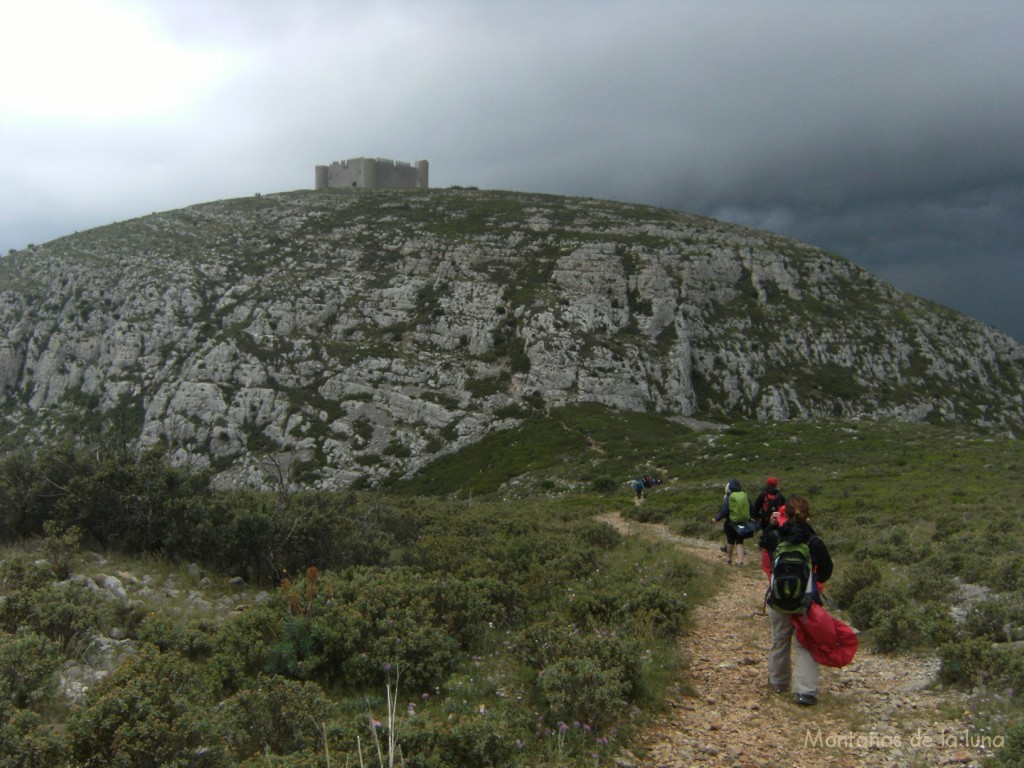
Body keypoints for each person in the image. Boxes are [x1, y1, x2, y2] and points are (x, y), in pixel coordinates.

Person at [763, 494, 833, 706]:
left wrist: (771, 525)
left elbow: (764, 546)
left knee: (780, 640)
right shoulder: (813, 540)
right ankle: (805, 691)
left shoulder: (777, 537)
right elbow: (827, 569)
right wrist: (812, 583)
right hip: (806, 602)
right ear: (808, 517)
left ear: (785, 514)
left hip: (780, 599)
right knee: (806, 644)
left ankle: (778, 683)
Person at [711, 478, 752, 565]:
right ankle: (741, 561)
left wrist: (717, 518)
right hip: (742, 523)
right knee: (740, 541)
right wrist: (754, 517)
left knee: (730, 541)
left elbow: (724, 511)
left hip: (730, 523)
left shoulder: (729, 497)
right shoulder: (744, 495)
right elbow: (751, 507)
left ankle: (729, 559)